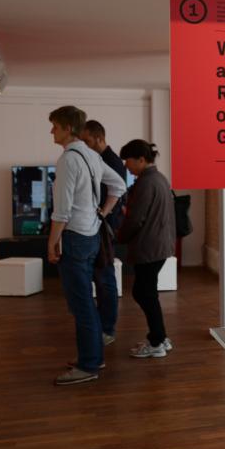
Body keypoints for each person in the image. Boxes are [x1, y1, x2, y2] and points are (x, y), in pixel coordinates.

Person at [48, 106, 126, 386]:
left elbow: (62, 210)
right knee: (86, 303)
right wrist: (102, 212)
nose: (51, 131)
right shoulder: (92, 155)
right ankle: (94, 357)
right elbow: (118, 185)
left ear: (68, 128)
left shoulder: (69, 159)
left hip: (75, 237)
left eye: (55, 126)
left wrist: (52, 242)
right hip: (92, 234)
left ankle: (89, 364)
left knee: (81, 305)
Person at [117, 139, 176, 359]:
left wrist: (120, 236)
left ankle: (156, 341)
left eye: (128, 160)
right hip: (160, 245)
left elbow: (135, 219)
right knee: (146, 292)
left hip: (149, 247)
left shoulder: (145, 183)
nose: (126, 165)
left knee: (143, 293)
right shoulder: (159, 178)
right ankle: (160, 337)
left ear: (141, 159)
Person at [80, 119, 127, 346]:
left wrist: (101, 214)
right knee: (102, 278)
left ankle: (107, 329)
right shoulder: (102, 159)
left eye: (87, 141)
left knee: (105, 279)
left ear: (99, 138)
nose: (85, 145)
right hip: (101, 227)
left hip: (103, 229)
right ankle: (104, 327)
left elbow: (116, 193)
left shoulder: (110, 162)